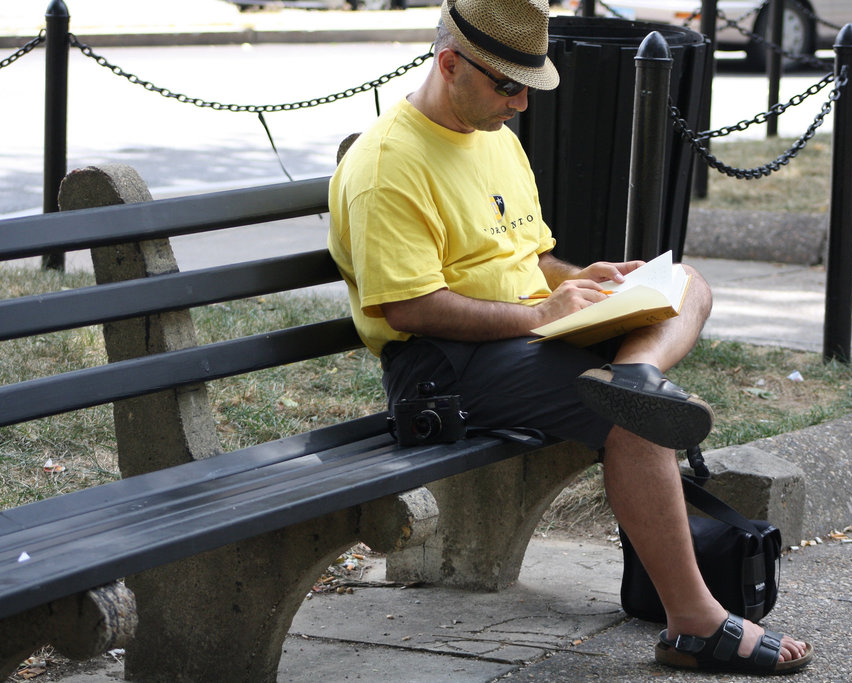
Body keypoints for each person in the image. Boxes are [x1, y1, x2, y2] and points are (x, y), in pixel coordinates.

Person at [327, 0, 812, 674]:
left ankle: (635, 374)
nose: (521, 103)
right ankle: (694, 624)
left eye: (528, 85)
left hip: (524, 337)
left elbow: (530, 262)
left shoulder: (490, 132)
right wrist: (538, 315)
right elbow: (408, 307)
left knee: (687, 283)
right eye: (508, 85)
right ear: (447, 64)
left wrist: (585, 279)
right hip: (440, 369)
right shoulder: (389, 163)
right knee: (633, 424)